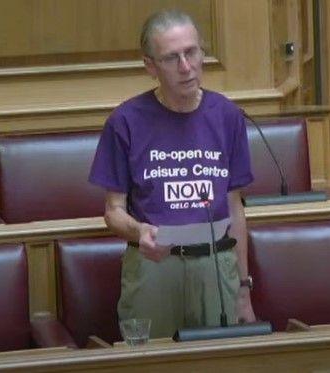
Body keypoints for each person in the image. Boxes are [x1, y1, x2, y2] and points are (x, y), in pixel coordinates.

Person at [89, 9, 256, 338]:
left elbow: (235, 208)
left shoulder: (227, 116)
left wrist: (243, 290)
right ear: (150, 66)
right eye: (171, 58)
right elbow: (113, 212)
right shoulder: (125, 122)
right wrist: (139, 231)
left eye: (191, 52)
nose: (186, 67)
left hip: (216, 265)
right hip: (154, 268)